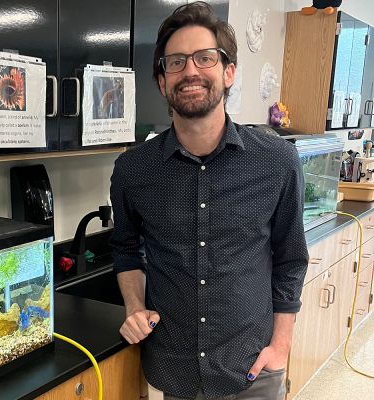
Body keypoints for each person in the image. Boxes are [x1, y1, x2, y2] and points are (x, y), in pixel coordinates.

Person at [108, 2, 309, 399]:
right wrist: (133, 305)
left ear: (228, 72)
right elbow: (125, 248)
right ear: (163, 82)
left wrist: (281, 345)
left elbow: (290, 259)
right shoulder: (133, 170)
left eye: (205, 58)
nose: (190, 72)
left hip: (252, 367)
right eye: (176, 62)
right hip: (175, 370)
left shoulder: (277, 161)